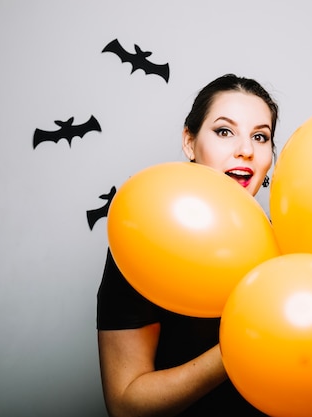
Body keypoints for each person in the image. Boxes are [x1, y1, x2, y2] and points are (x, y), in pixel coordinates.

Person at [96, 74, 278, 417]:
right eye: (224, 131)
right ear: (189, 142)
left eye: (260, 136)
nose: (246, 150)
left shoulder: (291, 244)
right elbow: (125, 405)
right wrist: (238, 347)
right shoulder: (145, 240)